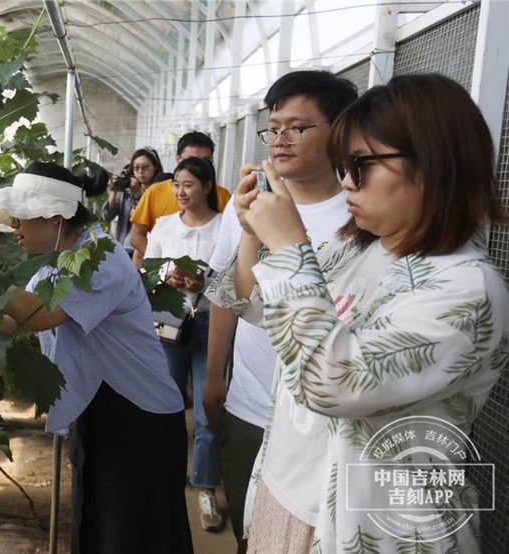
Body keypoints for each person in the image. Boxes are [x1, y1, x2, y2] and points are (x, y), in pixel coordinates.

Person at [229, 74, 507, 552]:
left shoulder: (466, 288)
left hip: (368, 529)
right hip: (289, 490)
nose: (345, 182)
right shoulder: (360, 246)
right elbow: (254, 305)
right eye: (344, 165)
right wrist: (255, 232)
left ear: (434, 163)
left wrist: (291, 247)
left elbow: (333, 383)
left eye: (361, 165)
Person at [0, 162, 193, 554]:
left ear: (56, 214)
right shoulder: (53, 266)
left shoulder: (99, 258)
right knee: (98, 521)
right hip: (99, 409)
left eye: (20, 218)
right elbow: (11, 321)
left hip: (138, 418)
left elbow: (41, 316)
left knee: (133, 533)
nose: (14, 229)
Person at [203, 69, 358, 551]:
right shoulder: (246, 205)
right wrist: (213, 375)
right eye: (273, 127)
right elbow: (232, 296)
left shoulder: (363, 213)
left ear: (340, 131)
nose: (279, 139)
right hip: (252, 401)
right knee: (252, 531)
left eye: (297, 126)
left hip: (322, 415)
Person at [144, 156, 224, 532]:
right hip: (169, 323)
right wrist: (169, 277)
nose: (180, 192)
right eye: (177, 184)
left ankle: (205, 487)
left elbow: (237, 279)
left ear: (208, 186)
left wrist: (204, 285)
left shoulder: (226, 228)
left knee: (209, 409)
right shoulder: (163, 225)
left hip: (211, 325)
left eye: (189, 185)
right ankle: (166, 480)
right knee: (167, 404)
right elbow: (148, 268)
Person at [128, 131, 231, 269]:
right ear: (178, 159)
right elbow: (136, 236)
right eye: (190, 160)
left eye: (206, 161)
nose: (197, 167)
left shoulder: (222, 196)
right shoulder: (155, 192)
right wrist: (163, 263)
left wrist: (204, 278)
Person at [102, 147, 164, 255]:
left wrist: (139, 196)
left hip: (145, 251)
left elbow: (152, 219)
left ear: (155, 167)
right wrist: (113, 192)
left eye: (145, 167)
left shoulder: (160, 191)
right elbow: (107, 216)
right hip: (122, 250)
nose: (140, 172)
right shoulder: (126, 192)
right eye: (136, 168)